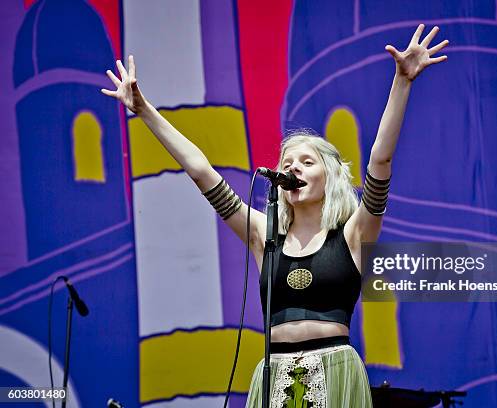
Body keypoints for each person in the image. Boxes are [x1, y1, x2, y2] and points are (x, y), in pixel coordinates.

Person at [102, 23, 448, 408]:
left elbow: (380, 160)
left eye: (306, 161)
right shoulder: (262, 233)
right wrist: (144, 110)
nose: (294, 167)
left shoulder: (353, 234)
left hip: (334, 369)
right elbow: (201, 172)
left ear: (328, 176)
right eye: (288, 161)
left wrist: (402, 82)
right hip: (274, 375)